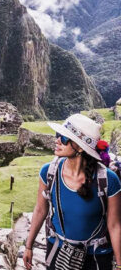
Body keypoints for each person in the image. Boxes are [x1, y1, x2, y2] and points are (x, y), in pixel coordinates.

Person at [23, 114, 121, 270]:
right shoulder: (48, 172)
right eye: (58, 136)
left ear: (80, 147)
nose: (56, 141)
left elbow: (114, 224)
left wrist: (120, 264)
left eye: (63, 138)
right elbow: (41, 209)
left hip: (96, 256)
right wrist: (28, 246)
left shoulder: (109, 180)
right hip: (58, 251)